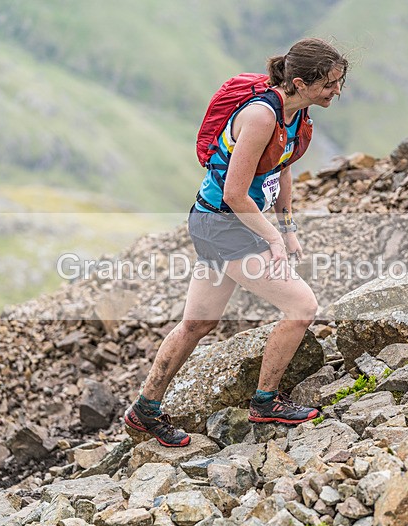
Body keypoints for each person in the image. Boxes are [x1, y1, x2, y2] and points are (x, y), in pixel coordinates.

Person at [124, 38, 348, 447]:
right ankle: (265, 403)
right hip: (225, 225)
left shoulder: (295, 115)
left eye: (339, 82)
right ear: (300, 82)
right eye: (331, 83)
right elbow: (234, 192)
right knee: (302, 307)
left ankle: (144, 410)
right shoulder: (262, 116)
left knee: (198, 324)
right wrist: (273, 238)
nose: (337, 91)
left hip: (221, 223)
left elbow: (281, 168)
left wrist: (288, 225)